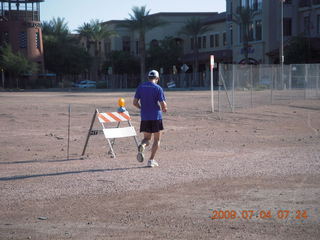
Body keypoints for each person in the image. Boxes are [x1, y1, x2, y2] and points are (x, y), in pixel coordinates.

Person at [133, 70, 167, 167]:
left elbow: (134, 103)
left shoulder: (141, 87)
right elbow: (163, 104)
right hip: (156, 117)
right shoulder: (158, 88)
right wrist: (165, 108)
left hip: (145, 117)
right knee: (157, 139)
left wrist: (142, 108)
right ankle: (151, 160)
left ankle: (142, 146)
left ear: (148, 78)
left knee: (146, 138)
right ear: (157, 78)